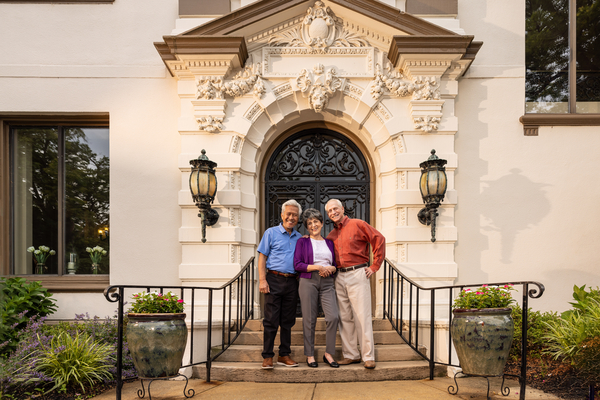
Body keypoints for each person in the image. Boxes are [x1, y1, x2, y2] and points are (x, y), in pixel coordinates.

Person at [325, 198, 385, 369]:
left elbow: (379, 239)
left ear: (342, 209)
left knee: (362, 316)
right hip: (339, 276)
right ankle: (351, 355)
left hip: (358, 273)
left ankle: (368, 356)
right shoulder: (331, 236)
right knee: (345, 318)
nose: (333, 213)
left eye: (335, 209)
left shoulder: (358, 224)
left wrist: (375, 266)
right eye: (329, 211)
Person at [257, 199, 302, 370]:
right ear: (282, 215)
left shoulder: (299, 238)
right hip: (273, 280)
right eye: (288, 214)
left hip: (292, 281)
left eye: (295, 215)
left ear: (298, 218)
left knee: (288, 320)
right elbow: (262, 257)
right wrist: (262, 280)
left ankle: (284, 354)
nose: (291, 217)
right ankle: (268, 356)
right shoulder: (271, 233)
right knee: (270, 320)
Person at [293, 208, 339, 368]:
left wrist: (331, 268)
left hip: (327, 282)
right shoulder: (302, 242)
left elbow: (334, 265)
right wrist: (318, 267)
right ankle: (310, 355)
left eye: (316, 222)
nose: (313, 225)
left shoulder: (329, 243)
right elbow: (297, 265)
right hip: (308, 281)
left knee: (333, 317)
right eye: (309, 223)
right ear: (307, 227)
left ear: (321, 223)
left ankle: (329, 354)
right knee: (309, 319)